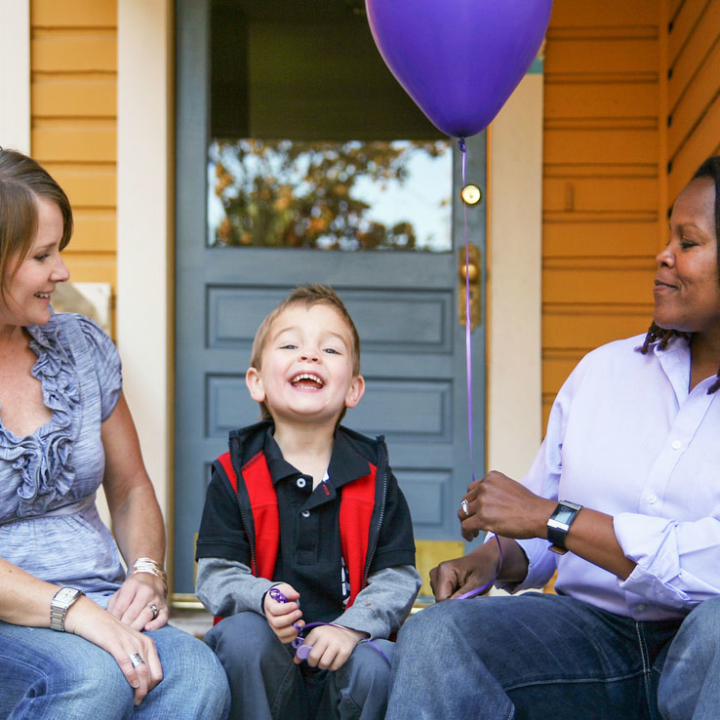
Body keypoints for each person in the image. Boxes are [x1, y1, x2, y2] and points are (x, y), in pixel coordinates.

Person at [386, 155, 720, 720]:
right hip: (585, 637)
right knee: (440, 635)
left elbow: (703, 567)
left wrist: (552, 517)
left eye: (686, 242)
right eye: (668, 237)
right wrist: (493, 560)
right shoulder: (603, 371)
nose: (662, 255)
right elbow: (541, 531)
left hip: (702, 650)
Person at [0, 148, 231, 720]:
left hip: (101, 599)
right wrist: (78, 612)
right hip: (16, 615)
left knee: (198, 676)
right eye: (42, 256)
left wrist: (148, 574)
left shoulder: (81, 346)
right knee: (92, 681)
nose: (63, 272)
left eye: (61, 251)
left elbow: (130, 490)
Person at [195, 283, 422, 720]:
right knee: (243, 641)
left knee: (378, 668)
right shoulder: (234, 474)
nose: (310, 355)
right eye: (290, 344)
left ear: (353, 390)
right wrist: (261, 598)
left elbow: (397, 577)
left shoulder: (376, 480)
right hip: (265, 650)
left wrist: (353, 626)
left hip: (345, 652)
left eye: (331, 350)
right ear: (256, 382)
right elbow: (216, 575)